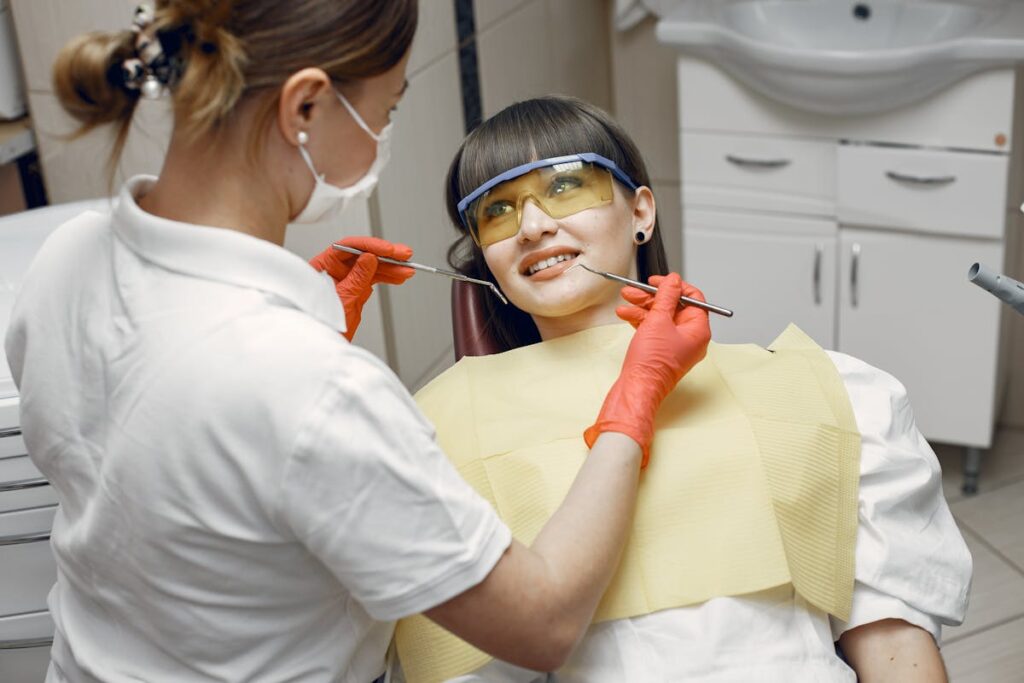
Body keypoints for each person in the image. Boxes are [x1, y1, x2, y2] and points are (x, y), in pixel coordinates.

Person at [2, 4, 711, 682]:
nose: (532, 228)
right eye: (388, 108)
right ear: (305, 107)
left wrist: (296, 334)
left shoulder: (66, 255)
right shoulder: (312, 389)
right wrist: (633, 400)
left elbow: (157, 464)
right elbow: (543, 623)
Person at [389, 96, 973, 683]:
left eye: (566, 186)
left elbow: (897, 651)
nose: (535, 226)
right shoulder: (439, 430)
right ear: (484, 255)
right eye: (498, 210)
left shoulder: (823, 393)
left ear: (641, 211)